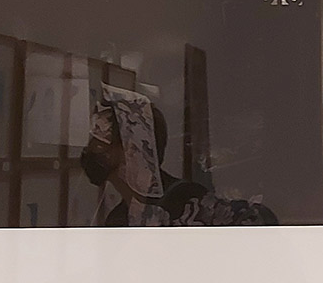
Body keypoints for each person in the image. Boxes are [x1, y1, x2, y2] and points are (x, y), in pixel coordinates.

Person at [80, 85, 277, 226]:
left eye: (98, 143)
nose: (88, 149)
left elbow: (262, 221)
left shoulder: (189, 203)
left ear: (132, 150)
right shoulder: (118, 219)